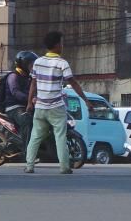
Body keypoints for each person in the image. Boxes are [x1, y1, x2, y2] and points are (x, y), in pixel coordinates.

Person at [24, 31, 92, 174]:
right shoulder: (62, 63)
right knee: (60, 136)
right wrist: (85, 100)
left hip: (40, 106)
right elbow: (73, 83)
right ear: (56, 45)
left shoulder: (38, 62)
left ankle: (29, 165)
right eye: (61, 43)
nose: (63, 45)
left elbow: (33, 84)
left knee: (36, 136)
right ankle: (64, 167)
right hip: (56, 107)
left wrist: (30, 102)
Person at [5, 50, 39, 146]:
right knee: (27, 121)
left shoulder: (29, 77)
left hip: (26, 105)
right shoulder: (13, 76)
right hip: (14, 107)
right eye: (31, 65)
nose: (33, 67)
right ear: (24, 64)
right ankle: (27, 151)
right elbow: (16, 93)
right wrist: (30, 99)